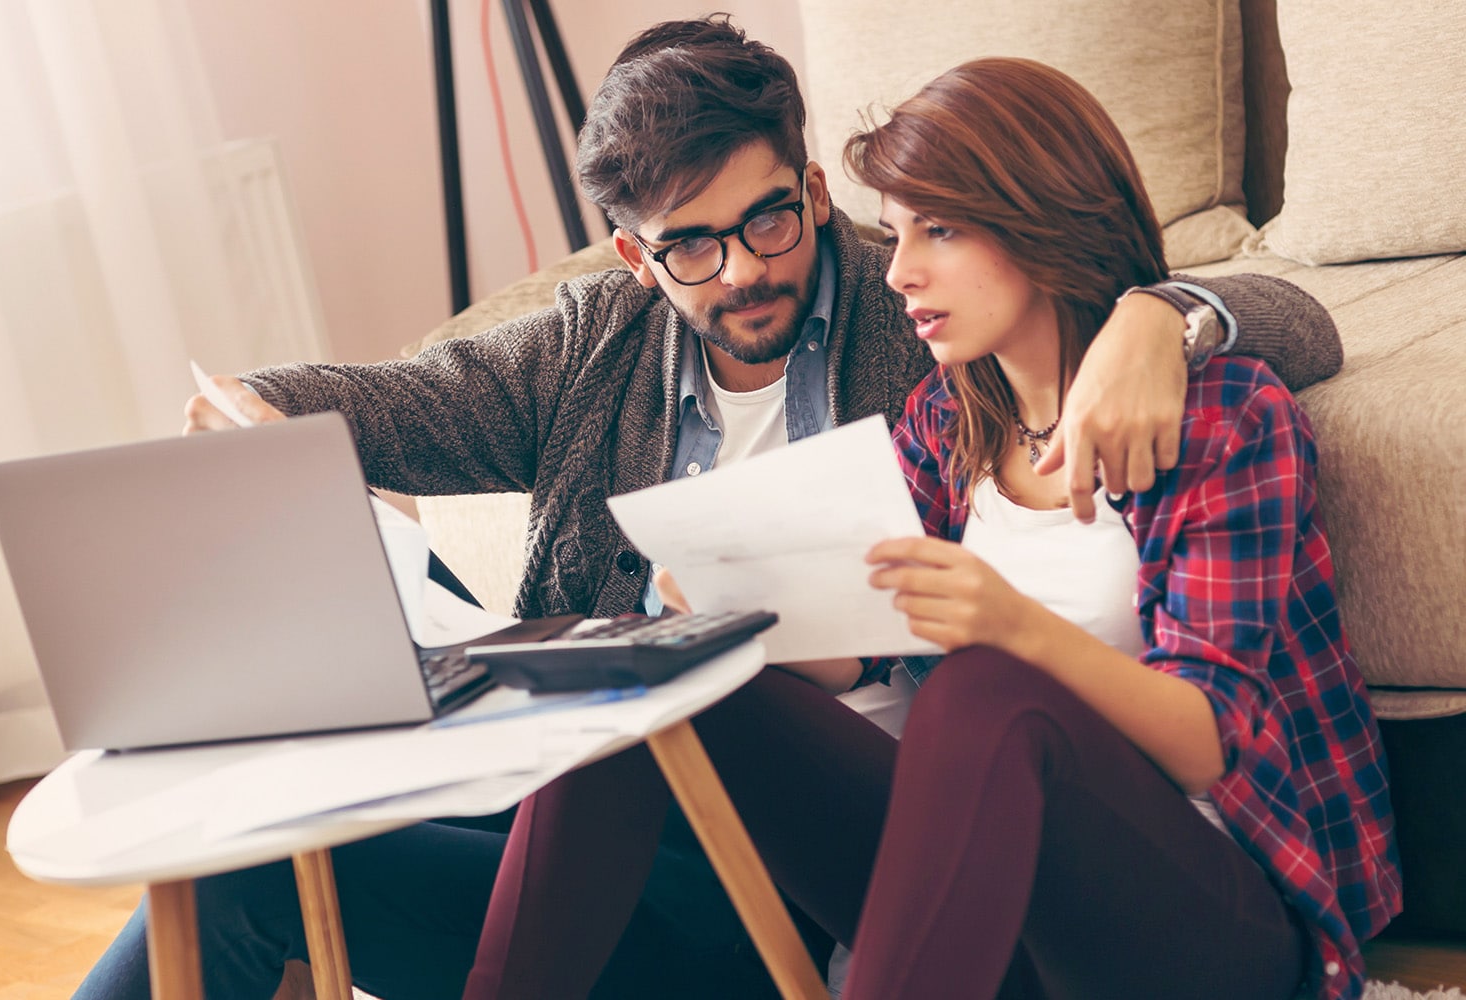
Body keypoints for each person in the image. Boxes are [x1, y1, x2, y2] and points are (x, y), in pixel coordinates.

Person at [73, 16, 1348, 999]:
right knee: (257, 859)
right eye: (693, 244)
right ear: (634, 254)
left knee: (968, 690)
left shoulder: (944, 348)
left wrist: (1160, 315)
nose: (747, 268)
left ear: (809, 189)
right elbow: (400, 399)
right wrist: (249, 407)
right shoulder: (924, 414)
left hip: (1092, 873)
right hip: (692, 812)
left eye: (774, 221)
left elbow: (1276, 315)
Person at [472, 57, 1399, 1000]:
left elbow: (1212, 744)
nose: (902, 272)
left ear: (1046, 222)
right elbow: (856, 662)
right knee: (636, 674)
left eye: (942, 231)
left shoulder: (1222, 417)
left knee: (984, 694)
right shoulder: (945, 425)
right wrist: (728, 605)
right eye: (897, 232)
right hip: (999, 907)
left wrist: (1006, 625)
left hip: (1214, 919)